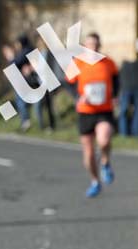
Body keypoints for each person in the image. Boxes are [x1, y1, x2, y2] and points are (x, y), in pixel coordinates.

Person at [67, 32, 119, 197]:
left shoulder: (108, 62)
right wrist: (77, 96)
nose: (93, 47)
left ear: (99, 46)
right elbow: (67, 82)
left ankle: (105, 162)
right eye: (89, 44)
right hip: (86, 112)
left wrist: (115, 95)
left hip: (104, 109)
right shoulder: (78, 62)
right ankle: (95, 181)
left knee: (103, 140)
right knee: (88, 154)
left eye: (95, 45)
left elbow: (117, 80)